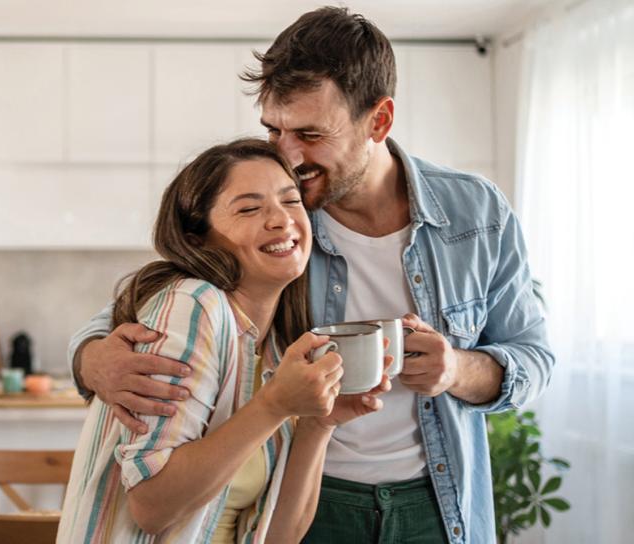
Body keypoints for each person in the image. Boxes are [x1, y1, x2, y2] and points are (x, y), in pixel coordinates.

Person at [67, 7, 554, 543]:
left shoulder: (475, 214)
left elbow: (533, 357)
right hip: (302, 496)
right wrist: (92, 361)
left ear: (379, 121)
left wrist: (454, 370)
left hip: (439, 501)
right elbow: (143, 316)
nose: (287, 155)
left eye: (310, 133)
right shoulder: (278, 225)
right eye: (273, 128)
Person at [56, 138, 388, 543]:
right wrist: (274, 405)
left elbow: (278, 534)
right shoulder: (194, 305)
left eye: (291, 201)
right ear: (197, 239)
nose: (281, 220)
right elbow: (151, 505)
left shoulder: (276, 345)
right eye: (249, 208)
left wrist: (321, 421)